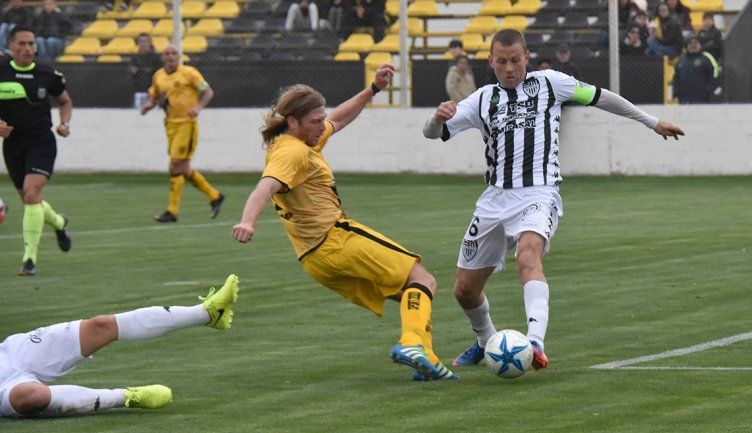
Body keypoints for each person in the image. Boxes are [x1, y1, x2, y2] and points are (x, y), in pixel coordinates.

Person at [422, 29, 684, 370]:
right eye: (502, 61)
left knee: (528, 257)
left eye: (516, 60)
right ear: (491, 61)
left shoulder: (550, 83)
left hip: (538, 192)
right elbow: (432, 133)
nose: (510, 68)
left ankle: (534, 343)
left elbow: (602, 96)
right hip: (494, 199)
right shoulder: (482, 99)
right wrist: (436, 118)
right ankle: (486, 341)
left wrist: (650, 122)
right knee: (464, 290)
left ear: (526, 58)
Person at [231, 66, 458, 381]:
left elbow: (337, 119)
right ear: (292, 121)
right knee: (424, 280)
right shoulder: (292, 152)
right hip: (336, 239)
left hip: (315, 259)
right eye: (313, 122)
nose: (320, 126)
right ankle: (412, 346)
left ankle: (426, 362)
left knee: (408, 292)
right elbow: (264, 187)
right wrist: (247, 221)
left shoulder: (302, 138)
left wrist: (373, 89)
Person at [0, 274, 239, 419]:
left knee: (100, 325)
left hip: (10, 353)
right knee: (32, 396)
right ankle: (124, 396)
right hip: (4, 388)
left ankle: (206, 313)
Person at [0, 26, 72, 276]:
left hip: (41, 142)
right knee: (29, 200)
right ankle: (59, 223)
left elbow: (65, 101)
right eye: (23, 43)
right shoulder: (1, 71)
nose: (29, 48)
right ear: (11, 46)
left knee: (31, 195)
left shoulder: (46, 73)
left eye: (31, 43)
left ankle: (29, 260)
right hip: (13, 146)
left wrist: (64, 123)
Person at [140, 45, 225, 223]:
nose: (170, 57)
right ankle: (215, 196)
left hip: (187, 125)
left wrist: (198, 107)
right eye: (167, 54)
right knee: (183, 169)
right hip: (170, 125)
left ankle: (172, 211)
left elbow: (208, 92)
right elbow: (155, 95)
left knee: (174, 165)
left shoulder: (190, 73)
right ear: (162, 57)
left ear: (179, 56)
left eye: (173, 53)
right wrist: (149, 105)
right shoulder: (159, 76)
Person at [673, 37, 717, 104]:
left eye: (696, 43)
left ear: (700, 45)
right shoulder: (680, 60)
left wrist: (709, 89)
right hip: (684, 99)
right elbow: (676, 77)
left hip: (702, 99)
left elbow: (713, 75)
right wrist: (676, 92)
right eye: (690, 43)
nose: (693, 45)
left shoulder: (706, 59)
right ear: (686, 46)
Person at [129, 33, 162, 109]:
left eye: (146, 41)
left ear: (150, 43)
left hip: (152, 93)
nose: (143, 44)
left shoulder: (156, 58)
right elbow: (132, 71)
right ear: (137, 43)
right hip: (138, 92)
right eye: (141, 41)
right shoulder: (134, 58)